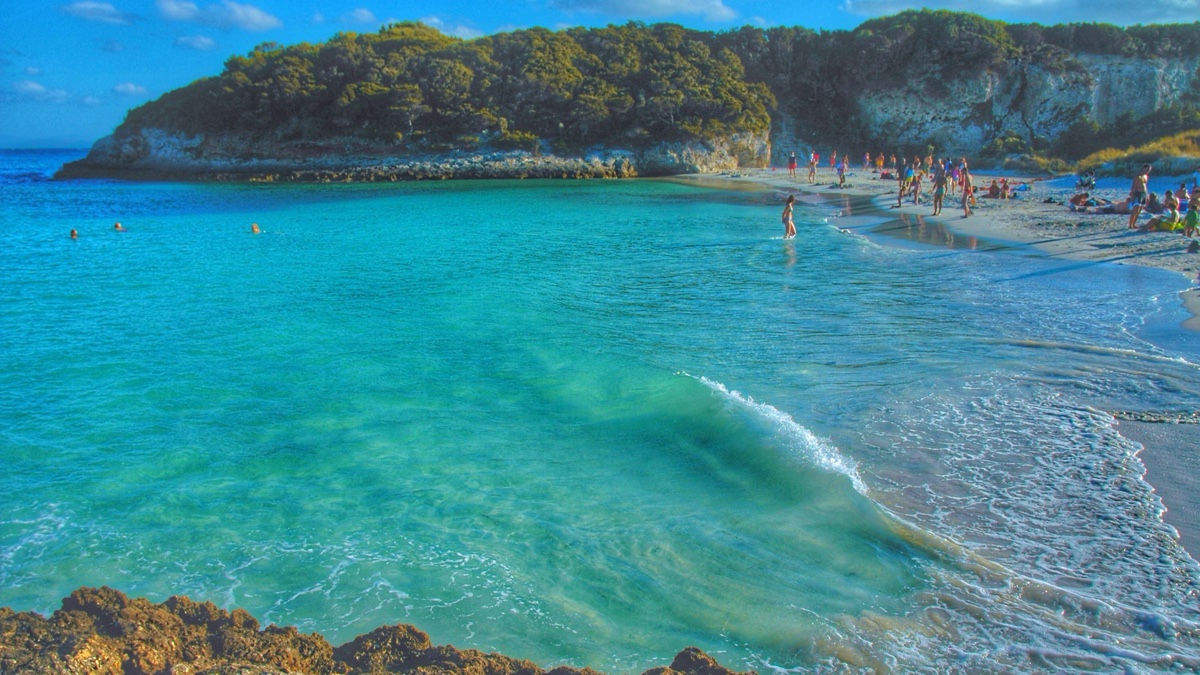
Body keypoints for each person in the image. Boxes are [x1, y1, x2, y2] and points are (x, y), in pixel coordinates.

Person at [1128, 163, 1151, 229]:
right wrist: (1132, 195)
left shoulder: (1146, 176)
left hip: (1143, 193)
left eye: (1149, 170)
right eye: (1147, 169)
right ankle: (1130, 224)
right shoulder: (1138, 176)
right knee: (1135, 209)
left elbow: (1145, 186)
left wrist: (1147, 195)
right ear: (1143, 168)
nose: (1147, 171)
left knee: (1139, 210)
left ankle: (1134, 224)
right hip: (1138, 193)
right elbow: (1133, 186)